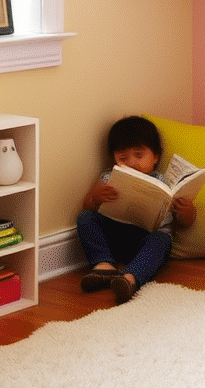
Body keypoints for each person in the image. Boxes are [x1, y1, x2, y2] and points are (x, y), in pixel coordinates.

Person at [76, 115, 196, 304]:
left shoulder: (164, 183)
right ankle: (104, 266)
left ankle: (130, 278)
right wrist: (95, 198)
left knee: (163, 240)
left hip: (145, 241)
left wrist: (186, 210)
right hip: (114, 238)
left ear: (155, 156)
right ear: (114, 158)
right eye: (123, 158)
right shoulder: (109, 178)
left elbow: (186, 223)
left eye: (139, 155)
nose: (132, 163)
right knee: (85, 218)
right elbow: (87, 205)